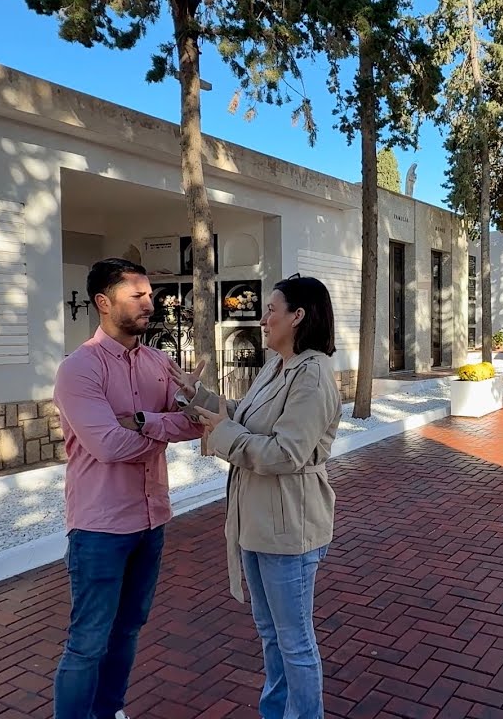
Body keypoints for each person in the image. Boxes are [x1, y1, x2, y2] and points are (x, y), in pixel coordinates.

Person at [179, 275, 342, 719]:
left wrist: (225, 434)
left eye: (273, 309)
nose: (264, 318)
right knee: (271, 634)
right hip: (255, 521)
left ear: (298, 316)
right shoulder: (277, 365)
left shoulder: (313, 375)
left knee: (294, 640)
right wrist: (196, 396)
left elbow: (285, 453)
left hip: (290, 525)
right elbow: (243, 417)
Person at [52, 258, 206, 719]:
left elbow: (195, 423)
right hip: (100, 528)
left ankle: (109, 710)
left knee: (129, 629)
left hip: (152, 520)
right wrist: (165, 428)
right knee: (88, 641)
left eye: (150, 295)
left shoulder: (159, 362)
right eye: (137, 295)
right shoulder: (78, 369)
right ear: (103, 302)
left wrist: (144, 420)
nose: (149, 303)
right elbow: (108, 445)